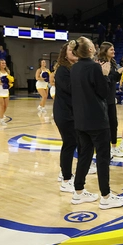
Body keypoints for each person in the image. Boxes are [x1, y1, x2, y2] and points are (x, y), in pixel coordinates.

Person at [70, 36, 123, 208]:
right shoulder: (95, 67)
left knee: (85, 156)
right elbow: (103, 92)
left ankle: (78, 192)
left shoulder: (74, 68)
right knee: (103, 157)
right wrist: (105, 75)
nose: (94, 47)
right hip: (96, 119)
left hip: (80, 119)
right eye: (91, 45)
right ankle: (106, 196)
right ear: (89, 50)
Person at [53, 42, 79, 192]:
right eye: (70, 50)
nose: (73, 52)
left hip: (72, 112)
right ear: (65, 53)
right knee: (69, 144)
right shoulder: (63, 70)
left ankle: (65, 173)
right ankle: (66, 179)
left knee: (72, 143)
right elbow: (71, 89)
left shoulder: (73, 68)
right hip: (64, 113)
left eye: (75, 50)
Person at [97, 42, 123, 158]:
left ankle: (114, 148)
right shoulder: (101, 63)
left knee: (113, 123)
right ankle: (105, 149)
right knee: (104, 125)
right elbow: (104, 80)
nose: (114, 51)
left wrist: (118, 73)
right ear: (105, 51)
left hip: (110, 98)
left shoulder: (113, 63)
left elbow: (113, 79)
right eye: (111, 50)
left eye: (114, 49)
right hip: (102, 99)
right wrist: (116, 73)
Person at [0, 59, 13, 126]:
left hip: (5, 90)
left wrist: (9, 84)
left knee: (5, 106)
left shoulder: (7, 71)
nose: (4, 64)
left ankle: (0, 115)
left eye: (4, 63)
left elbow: (9, 80)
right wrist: (1, 83)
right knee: (1, 105)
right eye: (2, 63)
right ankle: (1, 119)